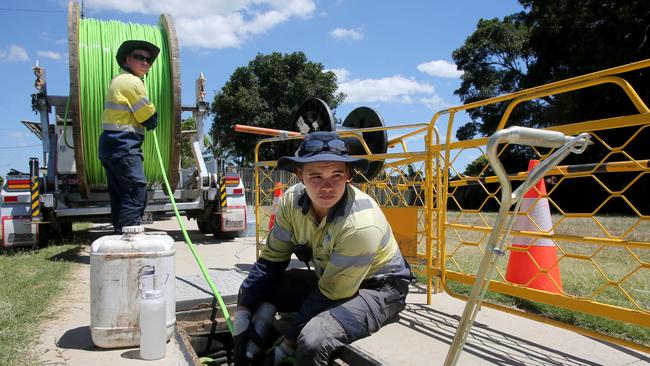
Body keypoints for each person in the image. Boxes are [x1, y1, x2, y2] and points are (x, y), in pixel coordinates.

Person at [233, 131, 414, 366]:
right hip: (330, 279)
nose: (327, 186)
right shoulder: (291, 202)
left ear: (349, 174)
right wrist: (244, 312)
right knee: (252, 290)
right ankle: (249, 350)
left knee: (313, 339)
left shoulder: (360, 224)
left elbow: (331, 294)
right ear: (300, 174)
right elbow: (271, 261)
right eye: (316, 176)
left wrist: (286, 346)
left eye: (336, 175)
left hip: (378, 289)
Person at [98, 40, 160, 234]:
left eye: (148, 60)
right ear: (127, 59)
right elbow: (148, 117)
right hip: (124, 144)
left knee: (121, 196)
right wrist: (153, 118)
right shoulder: (131, 82)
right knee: (136, 192)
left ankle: (119, 239)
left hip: (111, 145)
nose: (145, 63)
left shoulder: (117, 80)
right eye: (139, 57)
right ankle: (128, 243)